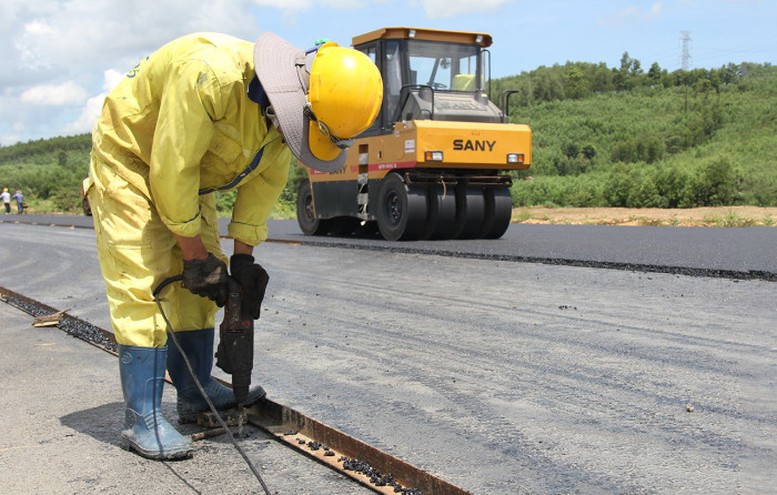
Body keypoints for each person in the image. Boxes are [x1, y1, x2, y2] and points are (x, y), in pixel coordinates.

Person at [84, 32, 382, 461]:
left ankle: (194, 390)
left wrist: (243, 260)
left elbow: (262, 187)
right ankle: (142, 416)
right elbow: (172, 170)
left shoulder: (284, 116)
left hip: (192, 176)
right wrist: (192, 256)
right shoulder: (209, 76)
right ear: (299, 98)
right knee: (144, 280)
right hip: (131, 161)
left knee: (204, 281)